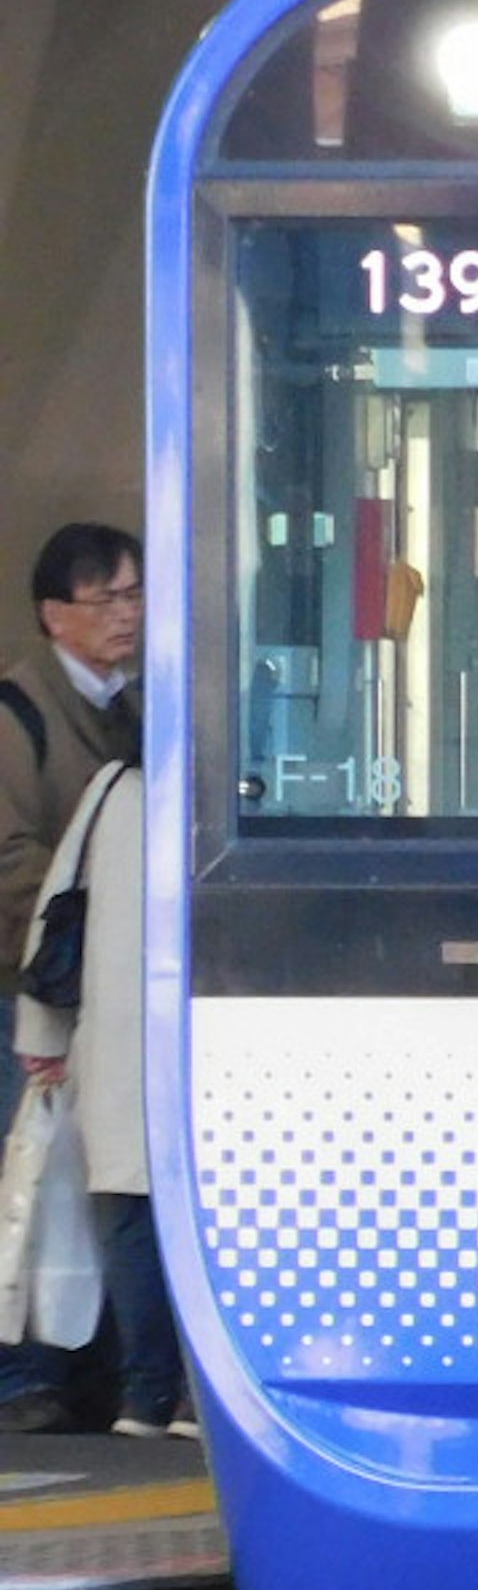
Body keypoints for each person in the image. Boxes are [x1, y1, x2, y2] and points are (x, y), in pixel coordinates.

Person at [0, 525, 142, 1432]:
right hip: (33, 992)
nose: (128, 614)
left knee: (94, 1176)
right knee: (25, 1178)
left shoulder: (138, 707)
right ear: (56, 615)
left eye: (135, 595)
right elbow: (11, 861)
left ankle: (89, 1367)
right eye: (109, 599)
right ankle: (23, 1376)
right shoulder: (20, 716)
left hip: (103, 993)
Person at [16, 758, 191, 1439]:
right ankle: (189, 1396)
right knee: (183, 1218)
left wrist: (43, 1035)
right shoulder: (252, 799)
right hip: (200, 1043)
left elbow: (58, 914)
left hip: (121, 1045)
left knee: (129, 1214)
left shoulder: (114, 790)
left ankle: (145, 1393)